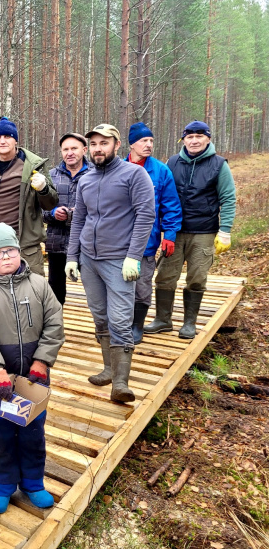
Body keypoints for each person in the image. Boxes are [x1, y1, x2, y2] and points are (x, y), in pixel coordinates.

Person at [0, 223, 63, 514]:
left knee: (33, 432)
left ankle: (33, 482)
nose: (5, 257)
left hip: (34, 379)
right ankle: (1, 486)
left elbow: (55, 324)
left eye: (10, 251)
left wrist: (43, 360)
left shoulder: (39, 285)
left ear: (20, 253)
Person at [65, 124, 154, 403]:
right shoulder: (87, 180)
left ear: (117, 145)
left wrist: (133, 256)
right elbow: (79, 218)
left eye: (104, 143)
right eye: (93, 144)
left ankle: (121, 382)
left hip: (119, 260)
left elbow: (145, 216)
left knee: (120, 320)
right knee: (100, 316)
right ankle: (107, 368)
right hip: (90, 260)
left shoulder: (134, 174)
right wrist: (72, 257)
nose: (98, 148)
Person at [144, 120, 236, 339]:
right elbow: (162, 195)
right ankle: (163, 320)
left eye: (199, 136)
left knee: (196, 277)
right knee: (165, 276)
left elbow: (228, 199)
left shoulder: (219, 165)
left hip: (203, 233)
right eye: (189, 137)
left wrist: (225, 231)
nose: (194, 141)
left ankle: (189, 323)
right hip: (174, 232)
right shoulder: (172, 162)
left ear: (208, 139)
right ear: (183, 139)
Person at [0, 117, 58, 276]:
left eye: (7, 136)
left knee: (32, 293)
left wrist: (43, 189)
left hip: (25, 245)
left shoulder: (34, 166)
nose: (2, 141)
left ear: (16, 140)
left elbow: (50, 203)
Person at [125, 123, 182, 344]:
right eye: (143, 141)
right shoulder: (118, 168)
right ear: (131, 144)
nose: (148, 145)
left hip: (147, 241)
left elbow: (171, 205)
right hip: (118, 240)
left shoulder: (160, 170)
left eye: (151, 141)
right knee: (117, 285)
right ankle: (118, 324)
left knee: (141, 284)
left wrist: (169, 235)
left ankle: (137, 325)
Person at [43, 133, 89, 304]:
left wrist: (76, 214)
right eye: (65, 149)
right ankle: (54, 326)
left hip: (88, 243)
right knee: (55, 288)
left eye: (74, 148)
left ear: (84, 150)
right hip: (56, 243)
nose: (70, 153)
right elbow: (38, 211)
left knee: (94, 287)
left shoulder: (95, 175)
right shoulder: (51, 176)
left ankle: (103, 328)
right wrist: (53, 213)